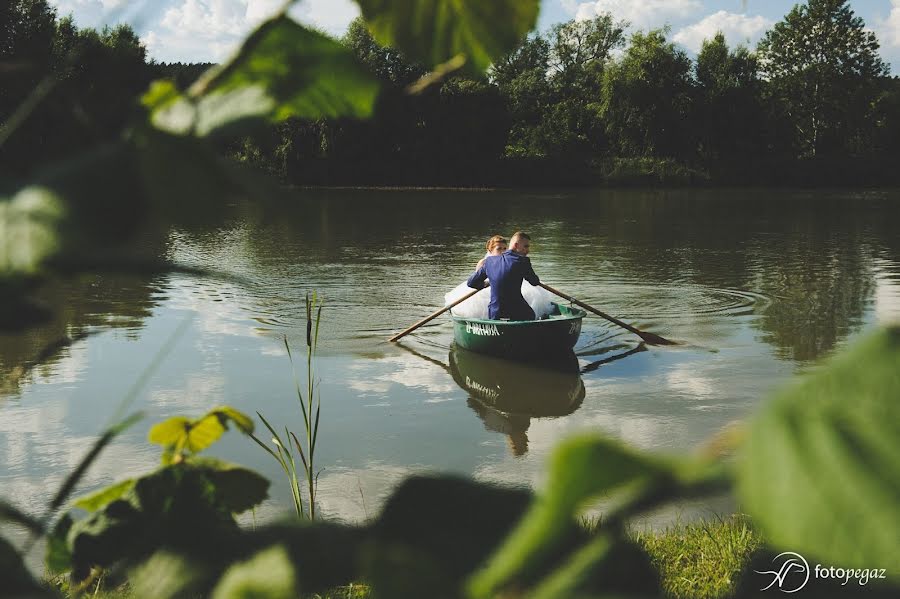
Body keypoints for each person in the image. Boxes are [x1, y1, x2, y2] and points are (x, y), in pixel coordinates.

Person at [467, 232, 541, 321]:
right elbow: (534, 282)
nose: (528, 250)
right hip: (517, 310)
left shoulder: (489, 261)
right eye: (526, 246)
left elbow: (471, 283)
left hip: (495, 312)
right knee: (531, 315)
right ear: (516, 245)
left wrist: (484, 284)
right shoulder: (523, 261)